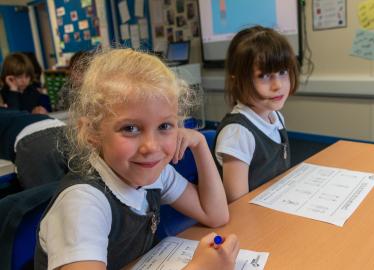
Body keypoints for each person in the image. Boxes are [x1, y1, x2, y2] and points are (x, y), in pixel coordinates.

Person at [35, 48, 239, 270]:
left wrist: (199, 144)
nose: (150, 147)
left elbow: (216, 214)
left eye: (165, 126)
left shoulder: (154, 174)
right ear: (92, 132)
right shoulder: (82, 203)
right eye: (130, 128)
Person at [212, 25, 299, 202]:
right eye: (264, 76)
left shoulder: (275, 116)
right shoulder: (238, 133)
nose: (278, 85)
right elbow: (238, 205)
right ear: (238, 81)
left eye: (283, 72)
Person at [0, 108, 68, 190]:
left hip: (35, 140)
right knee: (80, 188)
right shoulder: (11, 113)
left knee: (47, 197)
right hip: (63, 129)